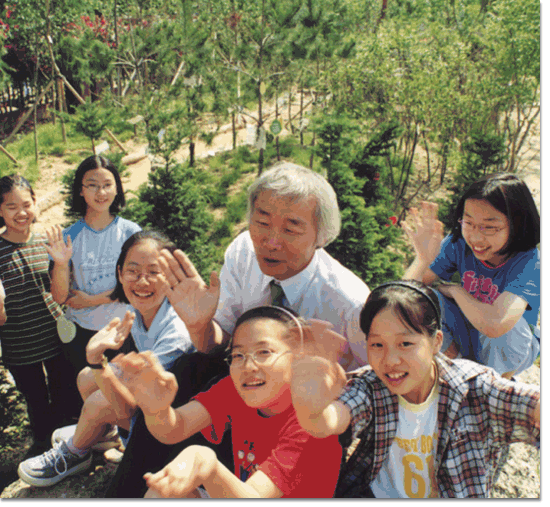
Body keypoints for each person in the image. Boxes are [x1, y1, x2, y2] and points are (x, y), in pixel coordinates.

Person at [106, 161, 371, 498]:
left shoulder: (350, 303)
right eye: (261, 222)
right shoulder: (243, 252)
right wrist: (200, 324)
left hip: (309, 423)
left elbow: (371, 387)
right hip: (248, 398)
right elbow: (223, 346)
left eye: (291, 229)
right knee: (190, 366)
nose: (271, 241)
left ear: (321, 236)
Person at [291, 280, 540, 498]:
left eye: (405, 343)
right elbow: (326, 421)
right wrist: (308, 389)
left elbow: (532, 406)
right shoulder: (371, 386)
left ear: (436, 342)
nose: (390, 360)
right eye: (377, 344)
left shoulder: (475, 389)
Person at [17, 230, 195, 487]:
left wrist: (97, 359)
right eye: (133, 271)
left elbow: (132, 406)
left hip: (170, 427)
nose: (142, 282)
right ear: (120, 273)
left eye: (154, 272)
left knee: (99, 401)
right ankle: (106, 434)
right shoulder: (142, 310)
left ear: (171, 275)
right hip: (151, 408)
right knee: (87, 377)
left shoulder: (176, 331)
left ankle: (75, 453)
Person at [117, 306, 344, 498]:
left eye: (263, 352)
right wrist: (157, 409)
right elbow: (174, 429)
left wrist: (206, 464)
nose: (248, 366)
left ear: (299, 359)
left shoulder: (311, 423)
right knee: (163, 494)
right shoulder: (234, 389)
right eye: (238, 355)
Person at [401, 173, 540, 378]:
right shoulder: (458, 243)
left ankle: (496, 384)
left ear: (517, 225)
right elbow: (403, 298)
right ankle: (458, 371)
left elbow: (497, 325)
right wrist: (422, 259)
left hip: (512, 344)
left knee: (507, 326)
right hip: (468, 330)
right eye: (469, 223)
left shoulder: (530, 261)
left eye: (490, 227)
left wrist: (457, 291)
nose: (475, 237)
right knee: (426, 300)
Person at [48, 155, 141, 397]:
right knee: (90, 402)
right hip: (83, 335)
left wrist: (91, 300)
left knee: (126, 400)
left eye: (108, 184)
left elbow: (136, 287)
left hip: (124, 332)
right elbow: (59, 297)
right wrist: (60, 264)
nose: (101, 192)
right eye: (92, 185)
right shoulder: (70, 236)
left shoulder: (131, 232)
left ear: (117, 188)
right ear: (80, 190)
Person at [0, 175, 79, 454]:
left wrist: (61, 263)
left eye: (26, 204)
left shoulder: (47, 241)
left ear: (35, 203)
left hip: (54, 337)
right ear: (0, 210)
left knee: (62, 391)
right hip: (18, 345)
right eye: (11, 206)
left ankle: (68, 446)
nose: (21, 213)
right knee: (35, 398)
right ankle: (44, 447)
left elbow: (59, 295)